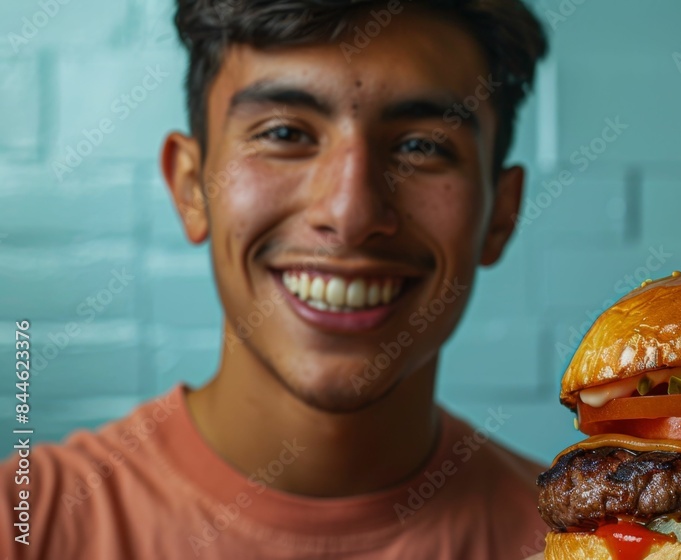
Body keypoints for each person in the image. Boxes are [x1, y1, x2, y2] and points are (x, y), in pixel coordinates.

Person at [1, 1, 549, 558]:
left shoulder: (592, 543)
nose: (350, 214)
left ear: (501, 214)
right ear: (192, 188)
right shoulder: (23, 526)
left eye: (422, 146)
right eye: (285, 133)